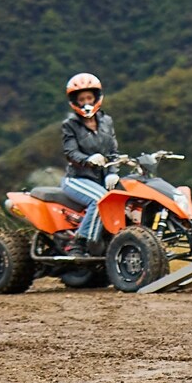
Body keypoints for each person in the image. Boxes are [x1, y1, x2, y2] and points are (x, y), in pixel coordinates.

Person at [60, 73, 118, 255]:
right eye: (81, 98)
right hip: (77, 178)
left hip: (101, 179)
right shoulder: (70, 125)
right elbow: (70, 152)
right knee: (101, 200)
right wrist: (87, 159)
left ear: (96, 98)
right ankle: (81, 242)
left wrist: (113, 172)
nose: (86, 102)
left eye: (89, 98)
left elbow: (113, 153)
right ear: (75, 102)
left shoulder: (106, 122)